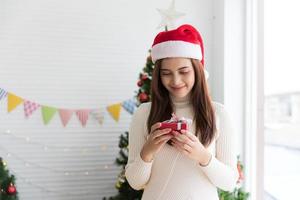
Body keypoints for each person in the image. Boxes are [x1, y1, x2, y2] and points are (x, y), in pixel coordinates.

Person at [125, 24, 238, 200]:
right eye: (166, 73)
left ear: (197, 71)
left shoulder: (219, 113)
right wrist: (148, 151)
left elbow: (229, 182)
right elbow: (135, 182)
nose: (176, 80)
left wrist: (202, 156)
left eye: (184, 71)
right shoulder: (144, 113)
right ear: (158, 76)